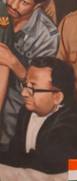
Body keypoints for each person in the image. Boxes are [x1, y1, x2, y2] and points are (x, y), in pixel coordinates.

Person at [2, 56, 77, 175]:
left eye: (33, 88)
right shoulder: (26, 112)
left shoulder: (71, 123)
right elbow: (14, 155)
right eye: (25, 85)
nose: (23, 93)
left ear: (57, 97)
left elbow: (47, 166)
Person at [0, 0, 59, 151]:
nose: (13, 5)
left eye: (24, 2)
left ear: (37, 5)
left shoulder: (47, 36)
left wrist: (14, 63)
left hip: (14, 118)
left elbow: (41, 88)